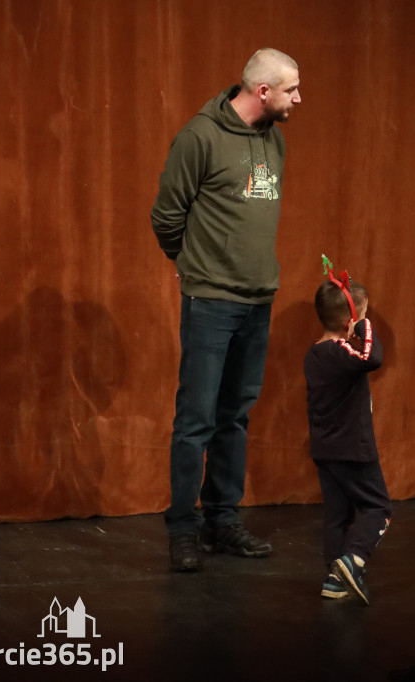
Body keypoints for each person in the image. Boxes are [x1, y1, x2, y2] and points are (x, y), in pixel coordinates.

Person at [150, 48, 302, 572]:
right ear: (263, 91)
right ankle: (183, 529)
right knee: (196, 419)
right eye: (291, 90)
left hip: (258, 299)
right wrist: (193, 266)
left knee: (233, 417)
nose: (298, 99)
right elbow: (167, 215)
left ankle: (222, 520)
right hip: (211, 301)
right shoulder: (200, 137)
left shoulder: (274, 140)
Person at [304, 279, 391, 605]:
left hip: (325, 449)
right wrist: (365, 326)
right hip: (353, 448)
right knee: (378, 508)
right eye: (362, 314)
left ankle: (334, 578)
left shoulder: (314, 353)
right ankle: (353, 560)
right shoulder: (340, 352)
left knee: (337, 513)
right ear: (348, 321)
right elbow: (372, 357)